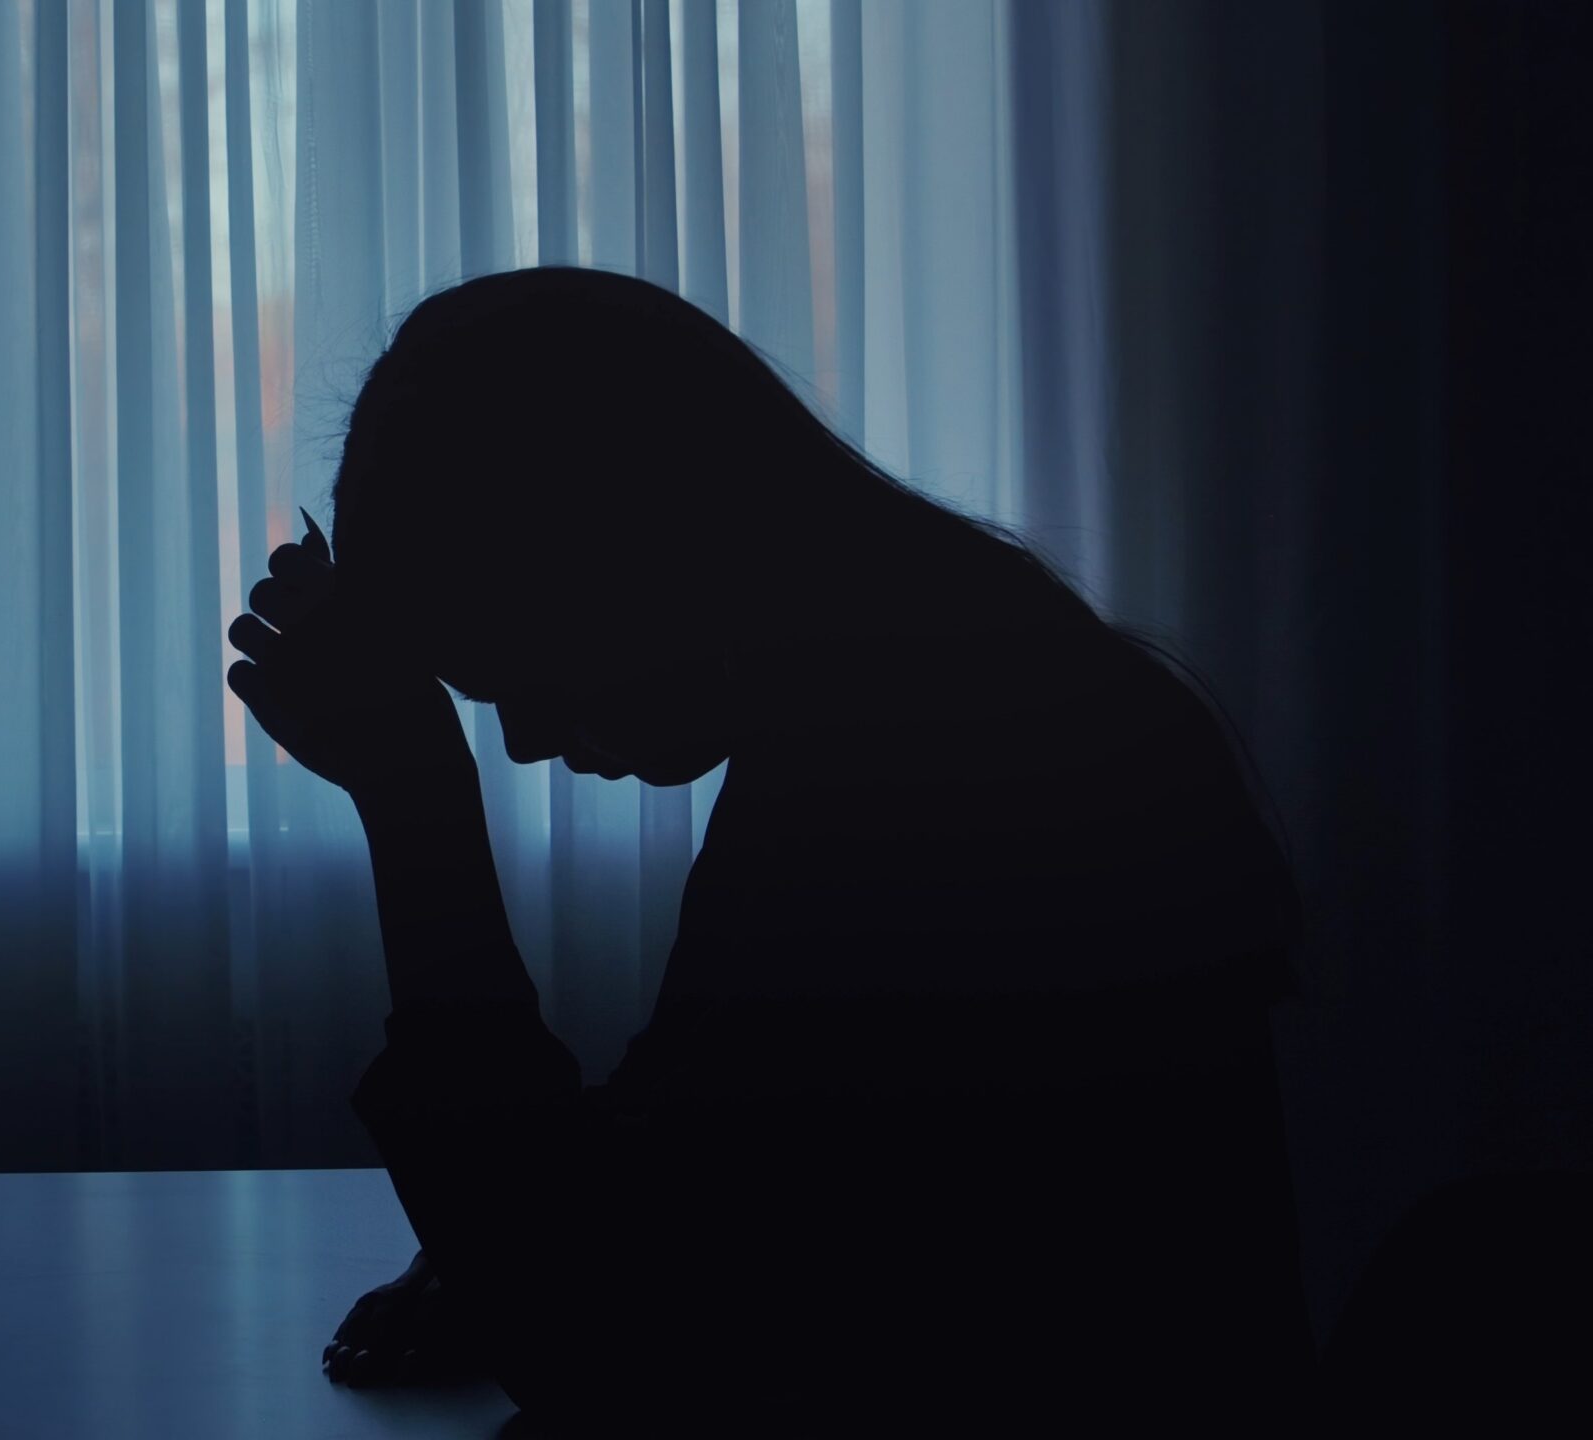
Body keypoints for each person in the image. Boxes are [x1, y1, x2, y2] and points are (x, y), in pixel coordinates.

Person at [226, 267, 1315, 1434]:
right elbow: (699, 1182)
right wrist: (527, 1234)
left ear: (636, 550)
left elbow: (613, 1344)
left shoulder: (915, 780)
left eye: (522, 669)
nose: (529, 740)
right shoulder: (980, 691)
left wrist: (417, 807)